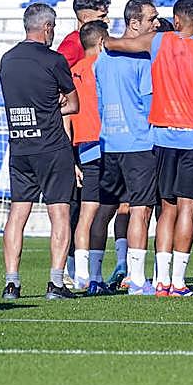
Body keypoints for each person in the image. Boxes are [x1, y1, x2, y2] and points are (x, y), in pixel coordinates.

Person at [104, 0, 193, 298]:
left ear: (177, 19)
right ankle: (179, 282)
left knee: (167, 210)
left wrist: (104, 39)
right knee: (188, 210)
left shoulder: (158, 41)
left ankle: (161, 281)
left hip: (163, 137)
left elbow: (119, 44)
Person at [0, 3, 80, 301]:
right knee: (59, 211)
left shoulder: (7, 59)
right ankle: (56, 283)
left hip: (20, 145)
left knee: (17, 213)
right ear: (47, 27)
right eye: (53, 28)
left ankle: (11, 283)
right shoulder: (54, 60)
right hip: (51, 147)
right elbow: (74, 104)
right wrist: (54, 105)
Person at [96, 0, 160, 295]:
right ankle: (136, 280)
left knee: (105, 210)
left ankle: (91, 277)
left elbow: (99, 100)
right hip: (139, 142)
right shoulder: (142, 59)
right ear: (134, 23)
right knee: (141, 211)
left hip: (109, 142)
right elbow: (150, 104)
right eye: (151, 18)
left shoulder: (103, 58)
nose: (156, 23)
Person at [69, 20, 118, 295]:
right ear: (102, 42)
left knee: (87, 213)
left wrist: (72, 157)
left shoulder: (72, 72)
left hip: (84, 147)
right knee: (118, 208)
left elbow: (66, 116)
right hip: (109, 143)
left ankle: (81, 275)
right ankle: (114, 270)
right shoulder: (107, 66)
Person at [57, 0, 111, 67]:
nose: (107, 20)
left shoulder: (95, 39)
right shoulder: (72, 44)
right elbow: (55, 71)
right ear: (85, 18)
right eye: (101, 16)